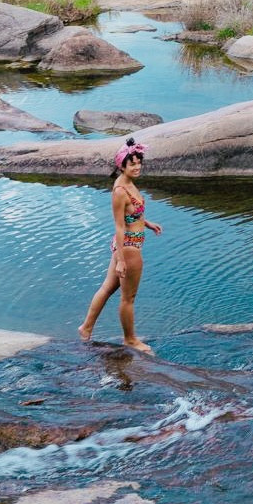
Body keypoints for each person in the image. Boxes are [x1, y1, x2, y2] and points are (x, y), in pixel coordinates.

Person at [78, 137, 162, 351]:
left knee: (107, 288)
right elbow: (119, 227)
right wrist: (121, 260)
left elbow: (131, 216)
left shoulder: (128, 184)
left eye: (138, 162)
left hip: (127, 245)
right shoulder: (119, 192)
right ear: (121, 166)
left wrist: (147, 224)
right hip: (129, 248)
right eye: (132, 163)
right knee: (128, 298)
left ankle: (86, 328)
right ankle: (130, 339)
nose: (137, 167)